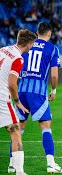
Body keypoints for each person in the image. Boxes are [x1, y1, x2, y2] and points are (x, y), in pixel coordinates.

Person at [8, 22, 62, 174]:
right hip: (38, 92)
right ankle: (51, 164)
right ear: (49, 34)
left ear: (37, 32)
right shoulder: (52, 49)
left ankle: (12, 163)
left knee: (18, 128)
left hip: (21, 91)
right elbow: (54, 74)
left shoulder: (26, 45)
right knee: (46, 126)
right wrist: (53, 90)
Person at [0, 29, 37, 175]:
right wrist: (18, 101)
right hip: (3, 99)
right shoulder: (18, 58)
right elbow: (12, 84)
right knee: (16, 132)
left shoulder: (3, 49)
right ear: (28, 44)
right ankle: (20, 172)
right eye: (32, 44)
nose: (32, 47)